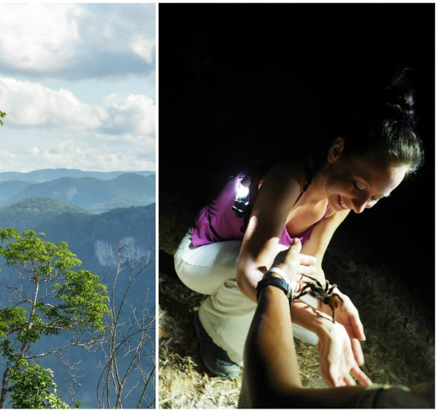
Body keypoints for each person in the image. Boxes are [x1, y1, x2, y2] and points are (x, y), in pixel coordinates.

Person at [174, 71, 424, 386]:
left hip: (249, 264)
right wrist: (319, 325)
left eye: (376, 198)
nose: (361, 204)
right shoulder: (289, 177)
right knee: (279, 271)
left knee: (323, 313)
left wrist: (332, 300)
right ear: (336, 151)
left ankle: (255, 316)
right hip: (200, 257)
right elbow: (253, 270)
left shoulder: (340, 204)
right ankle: (213, 329)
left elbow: (310, 263)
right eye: (359, 186)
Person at [239, 238, 434, 408]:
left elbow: (270, 400)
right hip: (318, 294)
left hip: (312, 295)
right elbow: (319, 284)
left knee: (313, 293)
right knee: (311, 291)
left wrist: (278, 281)